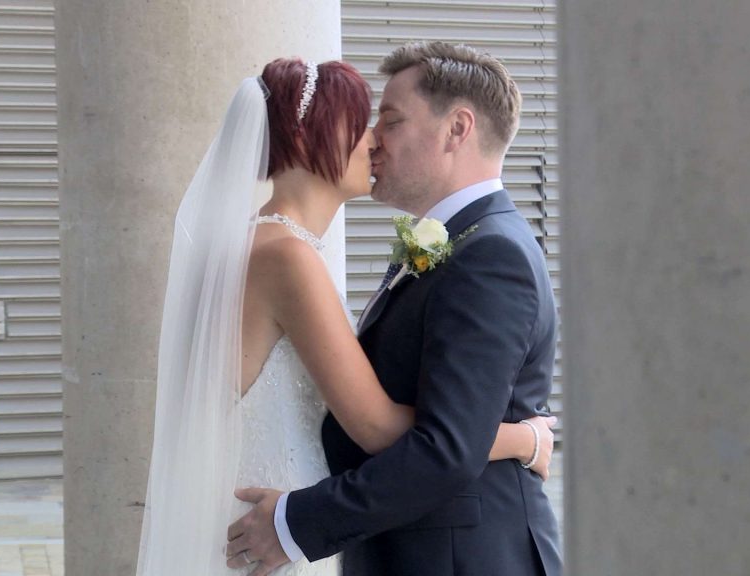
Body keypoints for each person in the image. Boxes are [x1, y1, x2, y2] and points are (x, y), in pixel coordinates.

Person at [136, 58, 555, 576]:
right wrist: (523, 438)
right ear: (308, 136)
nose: (374, 140)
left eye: (387, 121)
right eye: (362, 124)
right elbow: (376, 427)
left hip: (281, 521)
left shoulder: (264, 245)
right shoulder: (286, 257)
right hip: (270, 525)